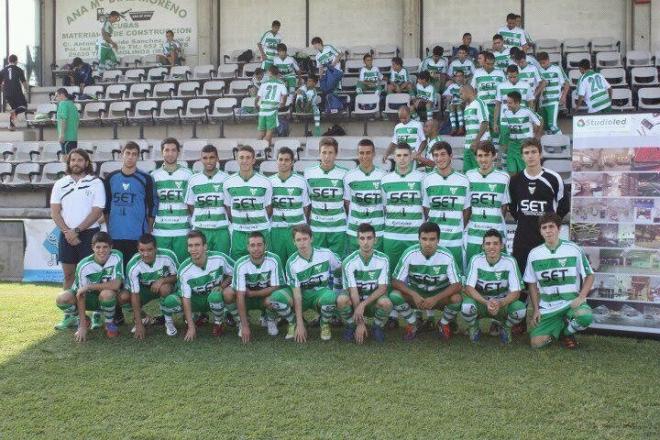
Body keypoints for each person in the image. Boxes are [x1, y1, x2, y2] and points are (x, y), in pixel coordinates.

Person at [525, 213, 594, 349]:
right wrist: (536, 310)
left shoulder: (573, 249)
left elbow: (590, 275)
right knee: (537, 344)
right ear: (540, 231)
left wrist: (581, 297)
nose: (548, 230)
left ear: (559, 229)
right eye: (544, 228)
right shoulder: (534, 254)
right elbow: (531, 284)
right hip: (548, 305)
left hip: (570, 302)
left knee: (585, 316)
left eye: (551, 226)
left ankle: (567, 332)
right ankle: (560, 325)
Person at [390, 222, 463, 341]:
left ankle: (443, 323)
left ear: (438, 240)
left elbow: (458, 285)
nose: (428, 243)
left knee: (457, 299)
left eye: (432, 239)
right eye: (424, 239)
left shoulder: (447, 256)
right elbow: (395, 281)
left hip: (438, 298)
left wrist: (435, 298)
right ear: (418, 239)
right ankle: (414, 323)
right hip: (417, 297)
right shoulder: (409, 253)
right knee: (394, 295)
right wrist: (414, 294)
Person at [509, 139, 569, 281]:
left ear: (540, 154)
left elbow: (564, 206)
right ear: (522, 156)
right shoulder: (515, 180)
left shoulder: (554, 178)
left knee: (546, 280)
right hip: (522, 239)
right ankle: (521, 303)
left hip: (546, 238)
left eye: (534, 152)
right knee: (521, 281)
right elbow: (513, 208)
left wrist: (550, 222)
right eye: (526, 153)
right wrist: (525, 220)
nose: (530, 156)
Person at [50, 148, 105, 292]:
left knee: (91, 275)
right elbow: (55, 213)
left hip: (90, 235)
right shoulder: (60, 184)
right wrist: (68, 232)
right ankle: (70, 312)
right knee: (69, 275)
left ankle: (94, 311)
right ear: (68, 163)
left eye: (80, 160)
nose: (76, 163)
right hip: (66, 235)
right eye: (73, 160)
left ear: (86, 163)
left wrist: (77, 230)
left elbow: (97, 211)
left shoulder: (96, 183)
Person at [54, 231, 123, 342]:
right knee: (62, 298)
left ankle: (109, 323)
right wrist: (81, 326)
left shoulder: (117, 256)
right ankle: (84, 320)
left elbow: (116, 284)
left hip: (104, 297)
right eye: (98, 247)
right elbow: (81, 294)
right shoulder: (84, 265)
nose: (101, 251)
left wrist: (89, 286)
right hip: (86, 298)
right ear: (92, 247)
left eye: (105, 247)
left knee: (108, 293)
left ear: (111, 247)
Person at [462, 229, 526, 344]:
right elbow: (469, 288)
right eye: (488, 244)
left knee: (520, 309)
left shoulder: (510, 261)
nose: (492, 247)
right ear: (483, 246)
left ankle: (505, 327)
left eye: (495, 243)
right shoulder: (476, 259)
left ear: (502, 246)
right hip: (481, 303)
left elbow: (516, 292)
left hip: (501, 304)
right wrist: (486, 302)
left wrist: (500, 303)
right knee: (466, 307)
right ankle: (474, 327)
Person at [282, 224, 344, 342]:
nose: (302, 243)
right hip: (303, 296)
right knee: (277, 298)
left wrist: (337, 288)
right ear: (294, 242)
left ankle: (324, 324)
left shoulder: (326, 254)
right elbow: (297, 294)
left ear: (311, 239)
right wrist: (300, 324)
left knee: (331, 296)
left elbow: (340, 268)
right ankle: (294, 323)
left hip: (320, 294)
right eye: (298, 240)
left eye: (305, 239)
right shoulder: (291, 263)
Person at [226, 231, 287, 342]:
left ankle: (270, 319)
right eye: (252, 245)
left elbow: (276, 287)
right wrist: (245, 326)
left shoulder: (274, 259)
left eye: (259, 245)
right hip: (246, 298)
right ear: (248, 247)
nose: (256, 248)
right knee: (228, 293)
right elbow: (239, 295)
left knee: (278, 296)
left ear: (265, 246)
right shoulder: (240, 264)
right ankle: (241, 321)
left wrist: (254, 293)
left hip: (264, 298)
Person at [104, 141, 156, 268]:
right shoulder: (111, 178)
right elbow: (106, 207)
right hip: (115, 234)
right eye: (127, 153)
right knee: (118, 271)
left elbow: (152, 206)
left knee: (134, 271)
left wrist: (148, 230)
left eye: (134, 154)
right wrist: (109, 227)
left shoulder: (146, 178)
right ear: (122, 154)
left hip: (137, 234)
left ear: (138, 157)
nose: (130, 157)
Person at [179, 230, 235, 341]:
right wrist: (191, 327)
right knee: (173, 301)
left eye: (197, 245)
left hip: (214, 297)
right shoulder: (184, 269)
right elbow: (185, 298)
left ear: (205, 246)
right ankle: (192, 319)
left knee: (215, 296)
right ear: (187, 248)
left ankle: (219, 322)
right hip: (197, 300)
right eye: (190, 246)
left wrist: (223, 286)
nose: (193, 249)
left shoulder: (219, 258)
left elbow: (236, 273)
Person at [120, 233, 180, 339]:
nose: (146, 254)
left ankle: (168, 322)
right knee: (123, 297)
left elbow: (178, 276)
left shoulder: (168, 256)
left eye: (149, 250)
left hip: (164, 287)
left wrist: (162, 280)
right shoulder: (133, 265)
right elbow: (134, 294)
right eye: (142, 250)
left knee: (164, 288)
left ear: (156, 248)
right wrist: (139, 325)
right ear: (138, 249)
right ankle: (142, 319)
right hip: (144, 290)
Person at [422, 141, 470, 270]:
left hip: (455, 239)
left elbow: (466, 210)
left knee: (456, 276)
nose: (439, 158)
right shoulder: (427, 179)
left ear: (451, 156)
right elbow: (426, 208)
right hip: (434, 240)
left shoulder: (463, 180)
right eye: (435, 155)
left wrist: (457, 228)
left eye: (443, 154)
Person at [341, 223, 392, 343]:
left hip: (372, 301)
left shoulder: (384, 259)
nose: (365, 242)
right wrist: (360, 323)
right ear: (357, 240)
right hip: (355, 301)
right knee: (341, 300)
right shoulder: (348, 262)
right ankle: (351, 326)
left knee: (386, 302)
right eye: (362, 238)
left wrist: (363, 305)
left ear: (375, 240)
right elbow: (353, 291)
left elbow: (382, 288)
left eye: (369, 238)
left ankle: (376, 327)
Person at [381, 142, 425, 272]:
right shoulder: (385, 180)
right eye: (399, 155)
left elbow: (425, 206)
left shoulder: (421, 178)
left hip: (414, 235)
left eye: (405, 155)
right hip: (392, 235)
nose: (402, 158)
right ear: (394, 157)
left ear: (411, 157)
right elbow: (385, 207)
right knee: (392, 274)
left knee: (415, 275)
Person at [464, 141, 510, 267]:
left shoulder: (504, 177)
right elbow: (466, 206)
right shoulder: (468, 176)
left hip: (496, 233)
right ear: (475, 157)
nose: (483, 159)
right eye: (480, 156)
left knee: (498, 271)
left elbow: (504, 205)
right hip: (474, 234)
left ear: (494, 156)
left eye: (486, 155)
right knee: (472, 271)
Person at [223, 145, 273, 261]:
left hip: (260, 230)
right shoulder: (228, 182)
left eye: (248, 157)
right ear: (237, 159)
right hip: (239, 232)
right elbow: (228, 207)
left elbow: (268, 208)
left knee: (264, 265)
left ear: (253, 160)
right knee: (238, 265)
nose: (244, 161)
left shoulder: (265, 182)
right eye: (241, 157)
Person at [304, 137, 348, 256]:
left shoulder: (345, 174)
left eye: (330, 153)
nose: (327, 157)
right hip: (317, 228)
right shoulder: (308, 173)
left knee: (338, 265)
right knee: (319, 263)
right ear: (319, 153)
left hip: (338, 228)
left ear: (336, 154)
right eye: (324, 152)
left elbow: (347, 202)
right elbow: (306, 203)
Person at [151, 138, 192, 263]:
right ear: (162, 152)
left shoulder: (188, 174)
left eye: (173, 150)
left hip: (182, 230)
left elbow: (192, 203)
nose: (170, 153)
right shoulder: (154, 175)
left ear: (178, 152)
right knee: (163, 269)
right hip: (160, 231)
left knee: (182, 267)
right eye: (166, 150)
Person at [185, 144, 231, 255]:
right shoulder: (193, 179)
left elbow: (229, 205)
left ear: (217, 158)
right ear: (201, 160)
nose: (208, 161)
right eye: (205, 158)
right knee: (201, 261)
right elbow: (190, 205)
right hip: (201, 229)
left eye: (212, 157)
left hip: (221, 229)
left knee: (222, 262)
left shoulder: (226, 178)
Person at [344, 139, 387, 254]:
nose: (365, 156)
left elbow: (385, 205)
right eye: (361, 153)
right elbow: (347, 203)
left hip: (377, 230)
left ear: (374, 154)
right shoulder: (349, 176)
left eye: (368, 152)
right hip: (355, 231)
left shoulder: (383, 176)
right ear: (357, 154)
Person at [269, 146, 310, 266]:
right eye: (280, 159)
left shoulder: (301, 181)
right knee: (278, 263)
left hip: (295, 229)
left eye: (286, 160)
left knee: (297, 263)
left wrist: (302, 224)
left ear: (292, 162)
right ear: (276, 161)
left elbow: (305, 206)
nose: (283, 162)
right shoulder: (269, 182)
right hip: (277, 229)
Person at [499, 91, 543, 174]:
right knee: (511, 171)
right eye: (507, 102)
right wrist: (505, 146)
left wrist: (537, 136)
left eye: (510, 103)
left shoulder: (527, 111)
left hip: (524, 145)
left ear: (517, 103)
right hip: (512, 145)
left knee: (523, 172)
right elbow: (505, 131)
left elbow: (540, 120)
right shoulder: (506, 113)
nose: (507, 105)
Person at [471, 52, 506, 144]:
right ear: (484, 62)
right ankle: (487, 151)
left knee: (495, 129)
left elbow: (505, 89)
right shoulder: (477, 73)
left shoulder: (500, 73)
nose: (490, 66)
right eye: (487, 63)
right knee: (485, 130)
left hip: (496, 106)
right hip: (483, 106)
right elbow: (473, 89)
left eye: (492, 64)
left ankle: (495, 151)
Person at [494, 65, 535, 133]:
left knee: (523, 142)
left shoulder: (526, 85)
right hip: (505, 121)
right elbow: (497, 105)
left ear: (518, 74)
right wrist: (495, 123)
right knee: (505, 143)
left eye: (514, 77)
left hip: (522, 120)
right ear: (507, 75)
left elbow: (531, 104)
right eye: (510, 77)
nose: (512, 79)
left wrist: (532, 120)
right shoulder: (501, 86)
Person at [537, 51, 570, 134]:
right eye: (540, 63)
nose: (542, 65)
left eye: (544, 63)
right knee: (546, 127)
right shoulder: (539, 70)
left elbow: (566, 84)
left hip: (554, 100)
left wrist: (563, 96)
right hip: (543, 101)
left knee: (552, 125)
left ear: (548, 60)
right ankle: (550, 145)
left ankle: (562, 144)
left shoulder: (557, 69)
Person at [460, 84, 490, 172]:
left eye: (461, 94)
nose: (460, 97)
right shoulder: (467, 107)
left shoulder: (479, 102)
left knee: (480, 172)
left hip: (479, 144)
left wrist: (476, 141)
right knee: (467, 172)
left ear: (467, 92)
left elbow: (485, 122)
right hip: (468, 145)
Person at [256, 65, 288, 146]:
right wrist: (283, 104)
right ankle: (263, 150)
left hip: (263, 109)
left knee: (261, 132)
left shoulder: (264, 83)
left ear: (269, 73)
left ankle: (260, 150)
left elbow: (258, 97)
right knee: (269, 132)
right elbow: (284, 95)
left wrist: (256, 105)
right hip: (272, 109)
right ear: (277, 73)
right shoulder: (281, 83)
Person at [0, 54, 27, 131]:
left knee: (14, 108)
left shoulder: (3, 70)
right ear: (16, 61)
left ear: (8, 61)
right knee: (24, 106)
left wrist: (3, 90)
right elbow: (24, 82)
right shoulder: (19, 69)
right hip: (17, 92)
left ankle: (12, 126)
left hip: (7, 93)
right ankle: (14, 113)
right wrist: (27, 90)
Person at [54, 88, 80, 155]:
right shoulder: (73, 106)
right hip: (73, 138)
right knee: (71, 159)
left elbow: (63, 119)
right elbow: (77, 122)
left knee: (66, 160)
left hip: (66, 138)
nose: (55, 98)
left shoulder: (63, 104)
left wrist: (62, 135)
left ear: (62, 95)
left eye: (56, 96)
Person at [442, 70, 466, 136]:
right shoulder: (452, 86)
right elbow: (444, 95)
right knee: (452, 106)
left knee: (458, 106)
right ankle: (454, 128)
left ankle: (461, 128)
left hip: (463, 104)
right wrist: (447, 96)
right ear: (455, 78)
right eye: (457, 76)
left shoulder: (466, 86)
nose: (459, 78)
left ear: (463, 77)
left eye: (461, 76)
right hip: (453, 104)